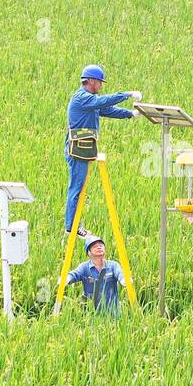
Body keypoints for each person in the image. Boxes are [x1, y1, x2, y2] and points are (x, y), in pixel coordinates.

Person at [64, 65, 141, 238]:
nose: (101, 86)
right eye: (99, 82)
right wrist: (126, 94)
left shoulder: (90, 101)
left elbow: (108, 110)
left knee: (79, 186)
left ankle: (73, 223)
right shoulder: (82, 98)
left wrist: (131, 114)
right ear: (90, 81)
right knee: (76, 187)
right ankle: (72, 226)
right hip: (78, 148)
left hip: (85, 147)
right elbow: (103, 102)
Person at [64, 235, 128, 314]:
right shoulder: (84, 267)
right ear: (89, 252)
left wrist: (124, 280)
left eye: (101, 246)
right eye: (95, 246)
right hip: (91, 313)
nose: (99, 247)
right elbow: (75, 274)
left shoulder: (113, 265)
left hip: (113, 313)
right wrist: (67, 278)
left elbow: (120, 273)